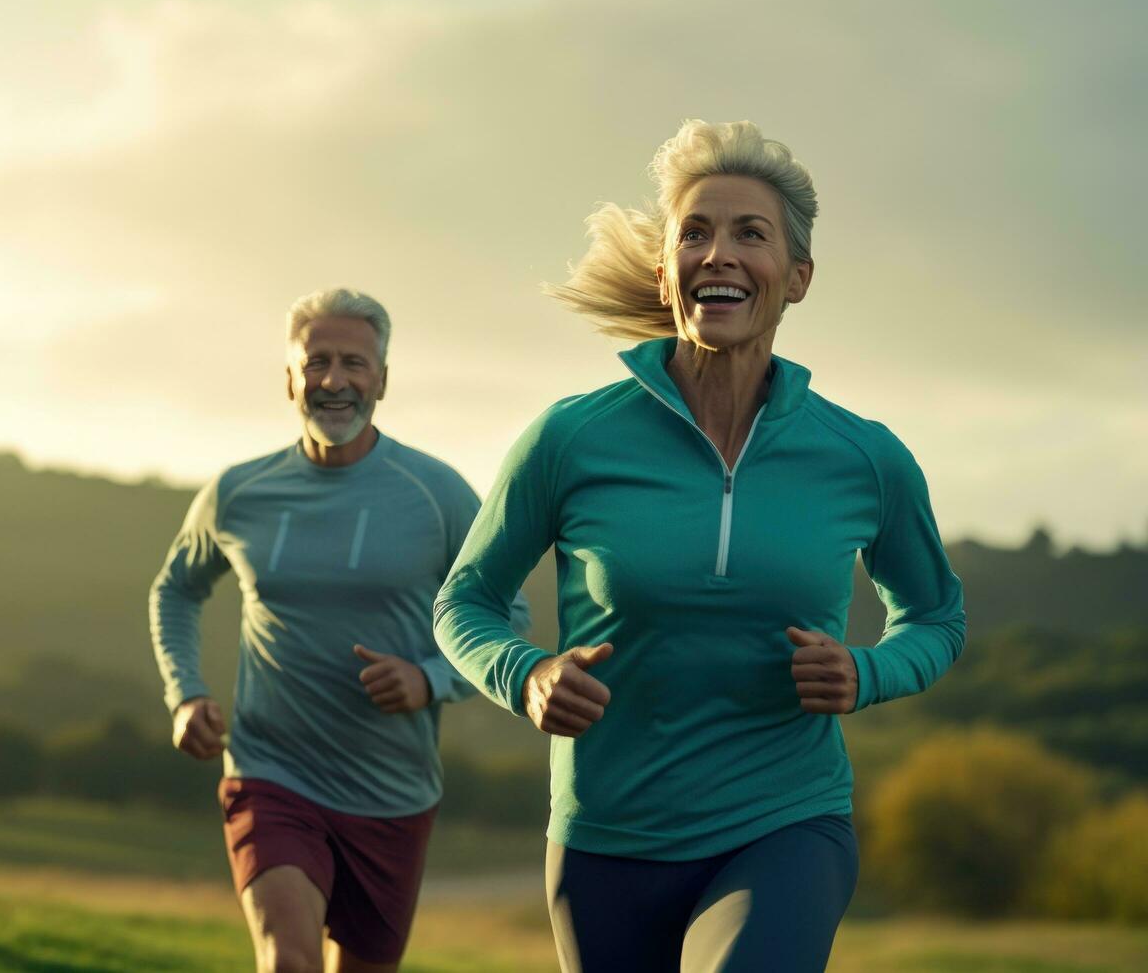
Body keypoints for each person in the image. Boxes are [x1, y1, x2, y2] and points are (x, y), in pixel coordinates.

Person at [433, 120, 965, 972]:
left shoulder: (863, 457)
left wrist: (866, 673)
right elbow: (465, 600)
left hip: (786, 825)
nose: (718, 253)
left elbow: (936, 615)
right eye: (695, 233)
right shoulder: (570, 439)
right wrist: (524, 673)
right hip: (606, 838)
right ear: (665, 270)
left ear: (797, 279)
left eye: (749, 234)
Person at [151, 287, 529, 973]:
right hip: (271, 773)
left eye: (353, 363)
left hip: (393, 793)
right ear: (290, 379)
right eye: (316, 362)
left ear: (381, 378)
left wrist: (429, 678)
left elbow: (507, 613)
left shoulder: (437, 493)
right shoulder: (240, 493)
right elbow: (176, 589)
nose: (333, 380)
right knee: (288, 961)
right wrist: (184, 693)